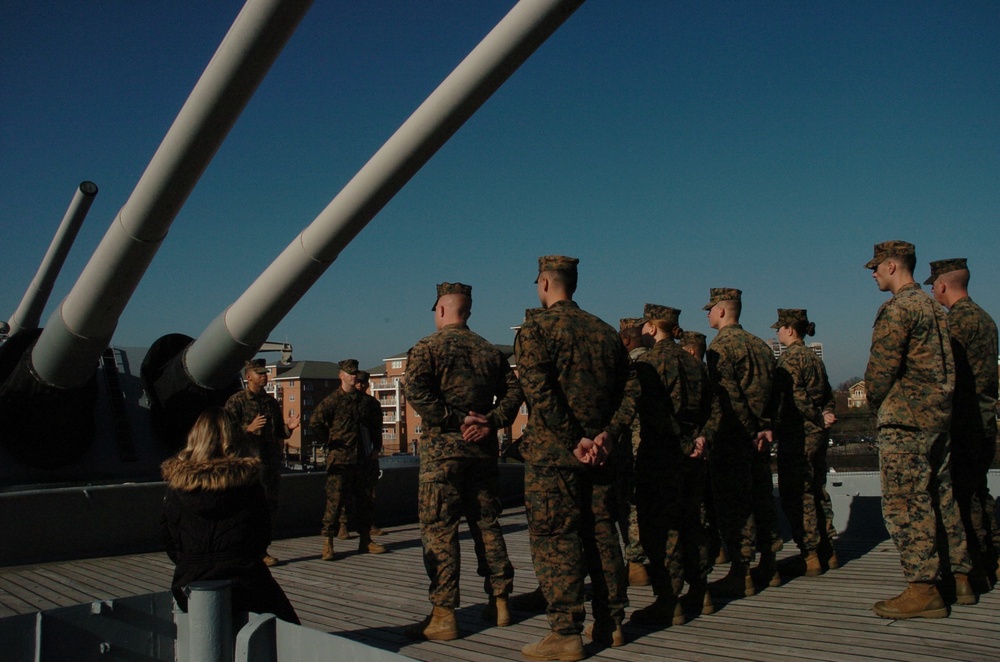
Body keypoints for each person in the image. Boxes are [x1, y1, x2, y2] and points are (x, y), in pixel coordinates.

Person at [515, 255, 632, 659]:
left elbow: (539, 392)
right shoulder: (604, 332)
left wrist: (573, 440)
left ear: (545, 284)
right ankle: (612, 623)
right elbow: (630, 391)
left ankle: (566, 633)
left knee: (556, 542)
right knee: (602, 535)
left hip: (554, 458)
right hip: (601, 456)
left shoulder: (535, 330)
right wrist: (608, 435)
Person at [402, 282, 523, 641]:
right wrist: (491, 421)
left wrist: (456, 420)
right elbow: (516, 391)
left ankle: (444, 615)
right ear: (467, 312)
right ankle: (500, 601)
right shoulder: (489, 350)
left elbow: (415, 390)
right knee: (487, 523)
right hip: (482, 452)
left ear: (441, 310)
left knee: (440, 530)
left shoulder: (427, 347)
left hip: (443, 455)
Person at [864, 241, 973, 618]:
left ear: (892, 266)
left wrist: (879, 403)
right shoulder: (934, 307)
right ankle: (960, 579)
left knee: (906, 504)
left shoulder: (899, 309)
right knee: (942, 498)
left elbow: (880, 372)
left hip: (906, 420)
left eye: (876, 267)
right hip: (938, 418)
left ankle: (923, 588)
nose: (873, 274)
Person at [160, 407, 299, 624]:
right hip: (244, 580)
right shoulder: (248, 485)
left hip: (189, 584)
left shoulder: (175, 489)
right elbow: (261, 536)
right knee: (288, 626)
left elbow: (170, 539)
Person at [629, 304, 713, 626]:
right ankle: (701, 591)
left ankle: (669, 600)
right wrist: (702, 438)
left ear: (651, 327)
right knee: (693, 521)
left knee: (661, 528)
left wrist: (683, 443)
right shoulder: (693, 363)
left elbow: (655, 415)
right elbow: (713, 406)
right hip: (694, 457)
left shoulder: (649, 363)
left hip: (662, 456)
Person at [926, 258, 999, 588]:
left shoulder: (955, 324)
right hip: (984, 419)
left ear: (942, 285)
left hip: (964, 422)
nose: (933, 291)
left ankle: (976, 568)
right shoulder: (985, 318)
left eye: (933, 285)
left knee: (963, 497)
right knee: (980, 493)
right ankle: (993, 559)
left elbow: (945, 376)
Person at [703, 287, 781, 598]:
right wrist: (766, 427)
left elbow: (729, 397)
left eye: (710, 309)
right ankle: (770, 564)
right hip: (762, 438)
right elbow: (775, 391)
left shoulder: (720, 347)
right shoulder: (760, 345)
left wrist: (750, 430)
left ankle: (742, 570)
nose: (707, 314)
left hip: (735, 438)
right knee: (762, 496)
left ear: (721, 311)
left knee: (736, 503)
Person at [771, 309, 838, 576]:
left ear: (789, 329)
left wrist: (817, 418)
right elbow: (828, 393)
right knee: (819, 491)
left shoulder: (789, 360)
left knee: (799, 495)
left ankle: (810, 555)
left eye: (779, 328)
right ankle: (828, 550)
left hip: (798, 436)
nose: (776, 333)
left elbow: (796, 398)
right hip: (818, 436)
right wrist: (827, 414)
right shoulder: (813, 358)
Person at [224, 358, 299, 567]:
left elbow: (277, 433)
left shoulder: (270, 402)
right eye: (260, 373)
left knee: (268, 509)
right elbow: (224, 432)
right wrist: (247, 428)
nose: (264, 376)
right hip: (246, 466)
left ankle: (261, 550)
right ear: (248, 376)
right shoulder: (236, 401)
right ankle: (240, 550)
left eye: (265, 373)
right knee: (244, 510)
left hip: (269, 465)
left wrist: (289, 428)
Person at [311, 359, 386, 560]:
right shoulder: (332, 401)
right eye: (349, 373)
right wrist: (330, 441)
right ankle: (328, 542)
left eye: (355, 373)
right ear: (341, 375)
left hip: (364, 460)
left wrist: (376, 448)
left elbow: (376, 426)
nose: (353, 376)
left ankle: (365, 540)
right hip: (341, 461)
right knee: (335, 502)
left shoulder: (368, 402)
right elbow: (315, 422)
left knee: (365, 501)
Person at [615, 317, 650, 588]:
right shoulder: (660, 360)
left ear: (626, 339)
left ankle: (636, 563)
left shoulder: (629, 368)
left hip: (634, 447)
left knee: (633, 505)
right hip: (666, 446)